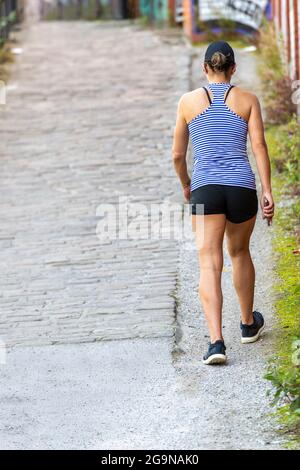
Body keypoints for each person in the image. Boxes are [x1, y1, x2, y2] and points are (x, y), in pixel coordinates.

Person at [172, 40, 274, 365]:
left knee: (209, 262)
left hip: (206, 188)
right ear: (233, 69)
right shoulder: (248, 100)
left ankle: (216, 343)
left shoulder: (188, 102)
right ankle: (247, 324)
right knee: (240, 252)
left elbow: (177, 155)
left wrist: (187, 184)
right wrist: (268, 190)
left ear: (205, 69)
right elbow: (259, 146)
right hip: (242, 187)